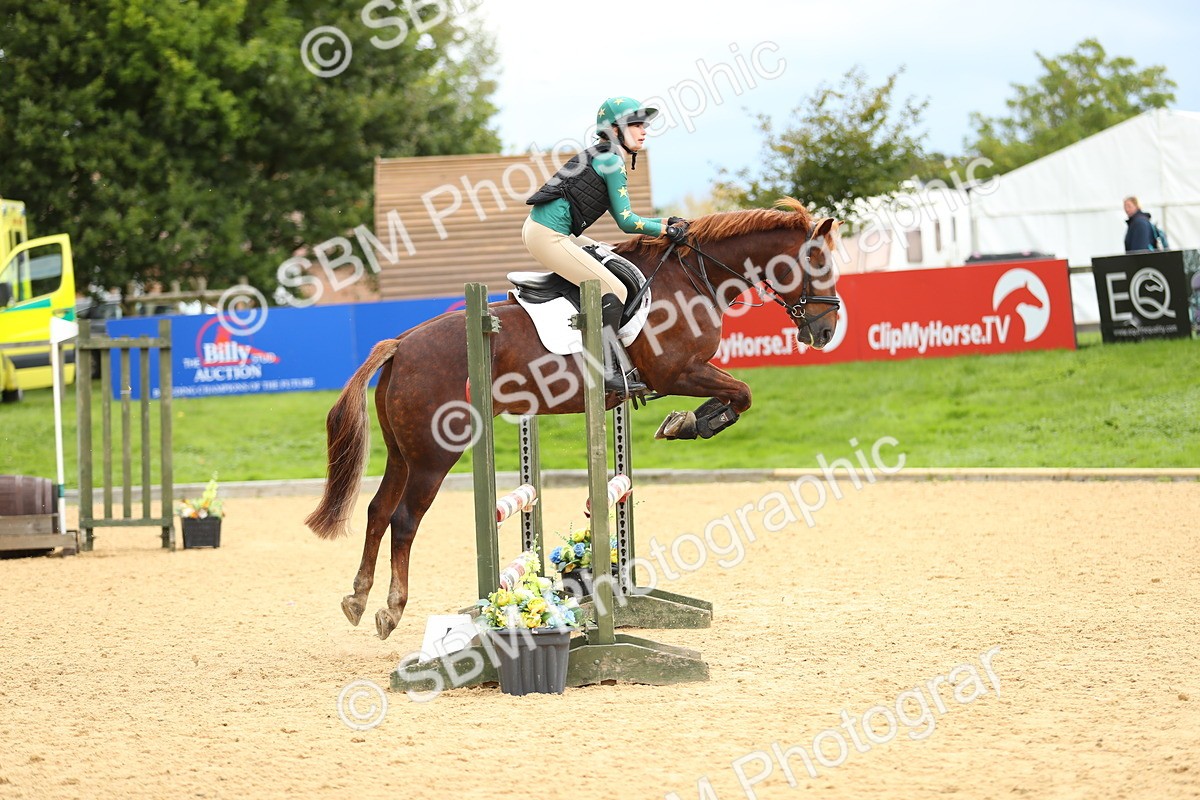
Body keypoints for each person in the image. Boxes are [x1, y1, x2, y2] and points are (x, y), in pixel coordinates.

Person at [523, 96, 689, 396]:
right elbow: (627, 222)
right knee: (615, 289)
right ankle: (605, 371)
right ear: (614, 129)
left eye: (644, 125)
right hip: (548, 236)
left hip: (552, 233)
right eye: (635, 125)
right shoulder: (611, 159)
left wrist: (665, 223)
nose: (643, 130)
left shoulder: (606, 155)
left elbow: (623, 216)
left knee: (610, 257)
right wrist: (666, 228)